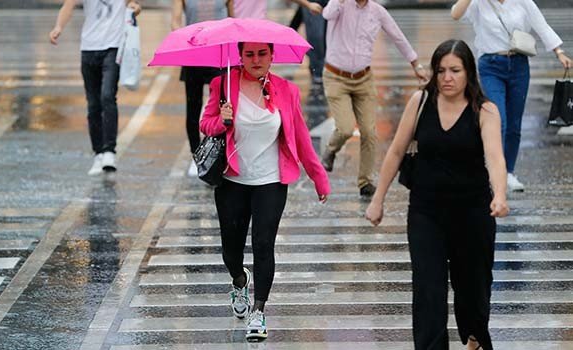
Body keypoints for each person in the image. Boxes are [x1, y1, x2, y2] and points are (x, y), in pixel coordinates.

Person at [365, 39, 509, 350]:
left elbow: (495, 157)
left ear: (468, 72)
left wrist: (499, 195)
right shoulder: (420, 102)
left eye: (455, 70)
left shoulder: (485, 110)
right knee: (428, 289)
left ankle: (474, 336)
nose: (447, 77)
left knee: (473, 288)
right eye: (441, 70)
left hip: (472, 212)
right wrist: (378, 199)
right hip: (426, 212)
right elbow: (396, 151)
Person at [200, 42, 330, 341]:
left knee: (263, 244)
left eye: (262, 54)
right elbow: (205, 125)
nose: (256, 60)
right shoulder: (223, 84)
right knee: (231, 250)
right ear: (240, 56)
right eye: (249, 54)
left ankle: (258, 311)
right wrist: (222, 120)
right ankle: (239, 279)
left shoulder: (286, 89)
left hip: (271, 181)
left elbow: (300, 135)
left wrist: (318, 177)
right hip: (232, 180)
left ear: (272, 55)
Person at [451, 0, 572, 192]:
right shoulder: (478, 4)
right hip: (490, 66)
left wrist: (559, 52)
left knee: (514, 125)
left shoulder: (523, 1)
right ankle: (494, 171)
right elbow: (456, 14)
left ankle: (508, 172)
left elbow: (541, 25)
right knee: (499, 121)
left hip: (518, 65)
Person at [320, 0, 428, 197]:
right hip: (336, 77)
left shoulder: (378, 11)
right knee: (345, 128)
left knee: (369, 132)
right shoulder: (340, 6)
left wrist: (415, 64)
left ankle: (365, 181)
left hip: (364, 79)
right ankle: (331, 150)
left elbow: (398, 36)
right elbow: (327, 14)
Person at [49, 0, 142, 176]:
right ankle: (98, 153)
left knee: (107, 96)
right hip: (89, 48)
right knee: (93, 104)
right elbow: (68, 6)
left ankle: (109, 152)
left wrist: (135, 9)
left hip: (113, 48)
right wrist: (58, 27)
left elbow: (134, 4)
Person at [171, 0, 233, 177]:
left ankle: (220, 154)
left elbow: (231, 19)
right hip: (194, 54)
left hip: (219, 54)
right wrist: (184, 36)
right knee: (193, 107)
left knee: (223, 107)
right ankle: (196, 156)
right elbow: (175, 21)